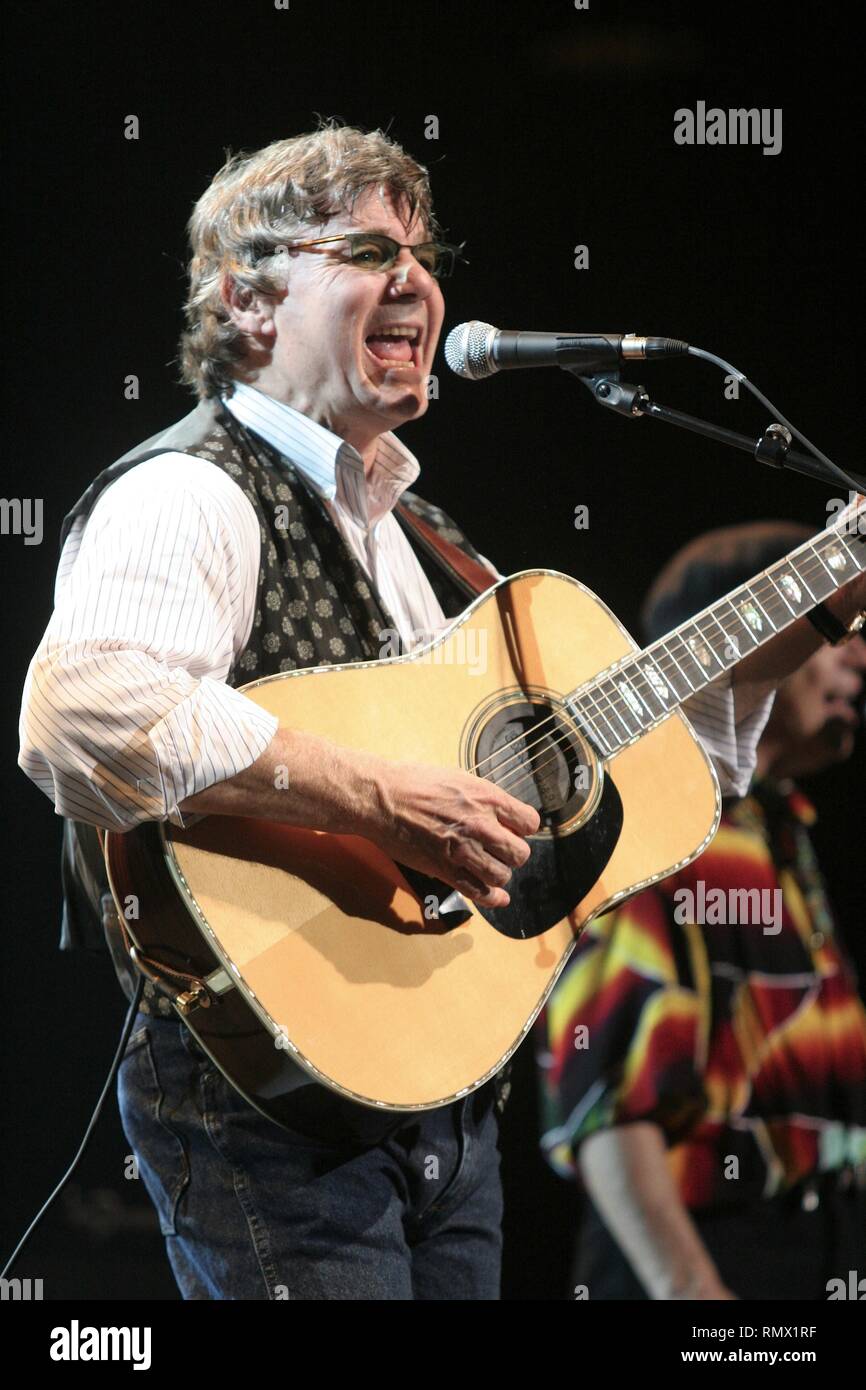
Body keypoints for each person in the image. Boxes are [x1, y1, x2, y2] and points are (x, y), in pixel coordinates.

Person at [18, 122, 866, 1300]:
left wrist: (796, 628)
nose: (415, 278)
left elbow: (645, 784)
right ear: (249, 303)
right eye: (366, 248)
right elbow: (83, 714)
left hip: (445, 1099)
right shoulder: (189, 491)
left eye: (422, 252)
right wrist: (379, 795)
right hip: (272, 1106)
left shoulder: (427, 543)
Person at [537, 521, 866, 1301]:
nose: (857, 653)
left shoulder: (775, 832)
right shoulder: (664, 835)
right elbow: (605, 1102)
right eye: (835, 626)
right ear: (742, 644)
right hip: (701, 1262)